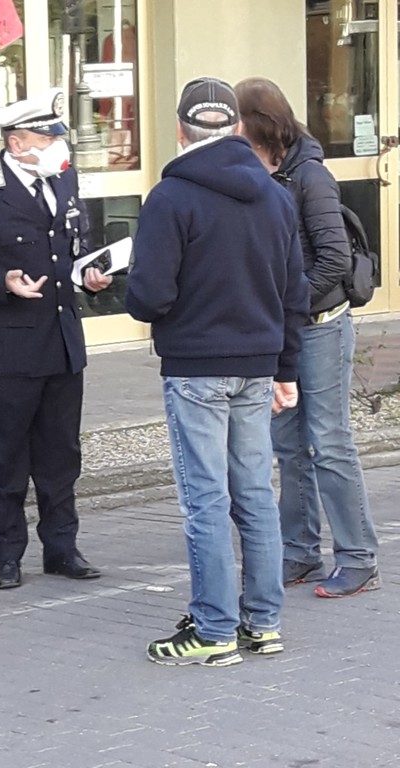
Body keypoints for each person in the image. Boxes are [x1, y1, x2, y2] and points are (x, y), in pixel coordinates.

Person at [125, 76, 309, 666]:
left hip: (196, 366)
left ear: (181, 130)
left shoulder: (170, 197)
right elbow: (294, 294)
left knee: (204, 500)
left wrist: (126, 288)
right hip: (257, 366)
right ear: (235, 128)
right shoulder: (275, 196)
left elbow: (150, 296)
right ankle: (264, 623)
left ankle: (213, 629)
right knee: (254, 495)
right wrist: (286, 368)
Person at [235, 77, 380, 598]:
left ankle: (359, 558)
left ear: (258, 123)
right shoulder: (256, 171)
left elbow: (334, 258)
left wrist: (291, 306)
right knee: (288, 445)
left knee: (328, 442)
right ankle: (299, 552)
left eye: (237, 119)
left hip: (319, 328)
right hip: (282, 330)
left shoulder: (310, 175)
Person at [0, 88, 111, 589]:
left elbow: (71, 247)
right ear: (17, 142)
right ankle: (7, 554)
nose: (56, 145)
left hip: (62, 341)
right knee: (6, 455)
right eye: (46, 138)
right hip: (8, 347)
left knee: (61, 456)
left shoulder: (63, 179)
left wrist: (89, 275)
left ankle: (62, 548)